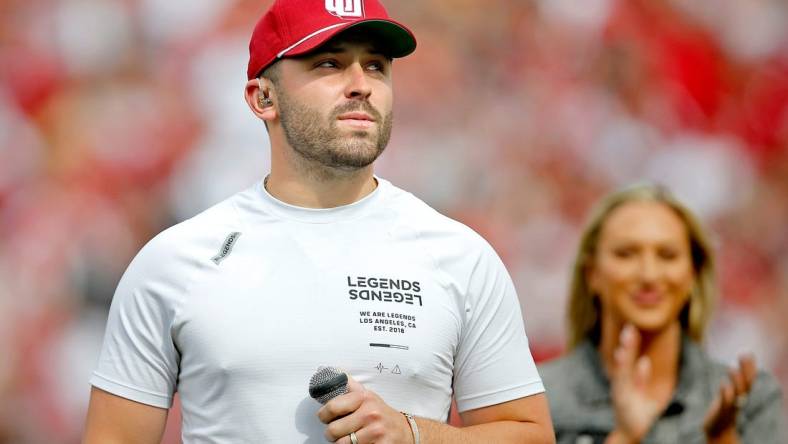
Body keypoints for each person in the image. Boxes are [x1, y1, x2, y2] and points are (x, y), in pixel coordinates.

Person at [82, 0, 554, 442]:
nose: (361, 83)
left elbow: (529, 433)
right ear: (262, 97)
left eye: (375, 66)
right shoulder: (174, 261)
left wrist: (415, 433)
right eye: (328, 63)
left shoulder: (460, 256)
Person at [539, 184, 784, 444]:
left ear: (694, 273)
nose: (648, 275)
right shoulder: (540, 399)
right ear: (592, 273)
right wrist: (623, 438)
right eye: (626, 254)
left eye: (667, 255)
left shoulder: (749, 401)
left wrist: (722, 439)